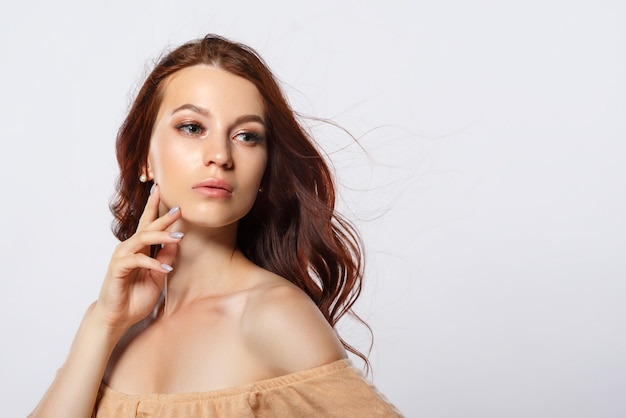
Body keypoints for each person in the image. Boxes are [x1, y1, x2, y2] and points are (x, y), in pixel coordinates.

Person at [30, 34, 402, 417]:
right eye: (192, 127)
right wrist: (102, 324)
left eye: (246, 136)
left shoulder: (275, 315)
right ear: (145, 159)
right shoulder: (114, 323)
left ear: (264, 168)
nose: (221, 156)